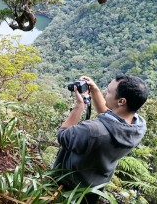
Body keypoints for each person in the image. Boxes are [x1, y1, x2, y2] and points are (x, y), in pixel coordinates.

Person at [54, 74, 149, 203]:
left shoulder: (92, 130)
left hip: (68, 186)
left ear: (121, 101)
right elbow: (110, 118)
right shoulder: (138, 127)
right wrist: (95, 90)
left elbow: (62, 135)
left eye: (109, 91)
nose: (105, 92)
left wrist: (79, 106)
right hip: (95, 187)